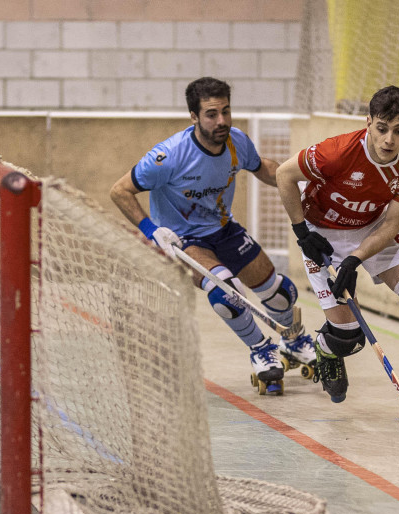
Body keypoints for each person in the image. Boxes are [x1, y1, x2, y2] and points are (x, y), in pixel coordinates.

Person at [110, 77, 315, 390]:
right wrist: (153, 231)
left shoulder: (237, 141)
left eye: (226, 111)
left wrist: (300, 182)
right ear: (194, 116)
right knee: (226, 293)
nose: (221, 121)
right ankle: (262, 350)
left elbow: (263, 168)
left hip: (224, 229)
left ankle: (294, 340)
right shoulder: (168, 157)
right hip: (184, 241)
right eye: (211, 114)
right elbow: (120, 190)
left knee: (280, 292)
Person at [275, 85, 399, 412]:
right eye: (382, 129)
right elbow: (284, 174)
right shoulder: (337, 152)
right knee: (349, 337)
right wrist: (302, 232)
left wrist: (356, 258)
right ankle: (327, 348)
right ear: (368, 122)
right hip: (322, 232)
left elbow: (391, 226)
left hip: (372, 228)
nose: (389, 140)